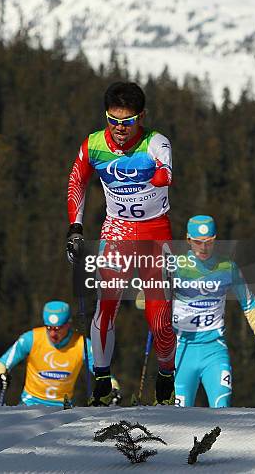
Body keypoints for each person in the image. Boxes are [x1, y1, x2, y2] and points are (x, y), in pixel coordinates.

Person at [67, 81, 176, 406]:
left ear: (141, 117)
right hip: (117, 231)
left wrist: (149, 173)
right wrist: (75, 227)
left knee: (159, 319)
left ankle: (166, 380)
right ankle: (101, 383)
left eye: (126, 122)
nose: (119, 129)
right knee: (106, 304)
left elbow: (166, 175)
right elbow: (77, 180)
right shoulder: (93, 145)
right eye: (112, 120)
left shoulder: (156, 142)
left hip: (155, 234)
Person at [172, 215, 255, 408]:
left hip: (214, 350)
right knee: (178, 417)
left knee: (222, 410)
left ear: (215, 239)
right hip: (181, 351)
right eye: (198, 242)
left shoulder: (227, 267)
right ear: (188, 239)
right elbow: (143, 301)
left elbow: (249, 303)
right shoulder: (175, 267)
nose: (203, 248)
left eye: (209, 242)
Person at [0, 301, 119, 407]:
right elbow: (2, 363)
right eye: (49, 328)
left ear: (68, 324)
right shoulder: (30, 339)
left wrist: (113, 389)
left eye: (58, 328)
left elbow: (103, 374)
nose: (53, 334)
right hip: (29, 404)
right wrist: (0, 375)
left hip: (62, 408)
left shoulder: (82, 344)